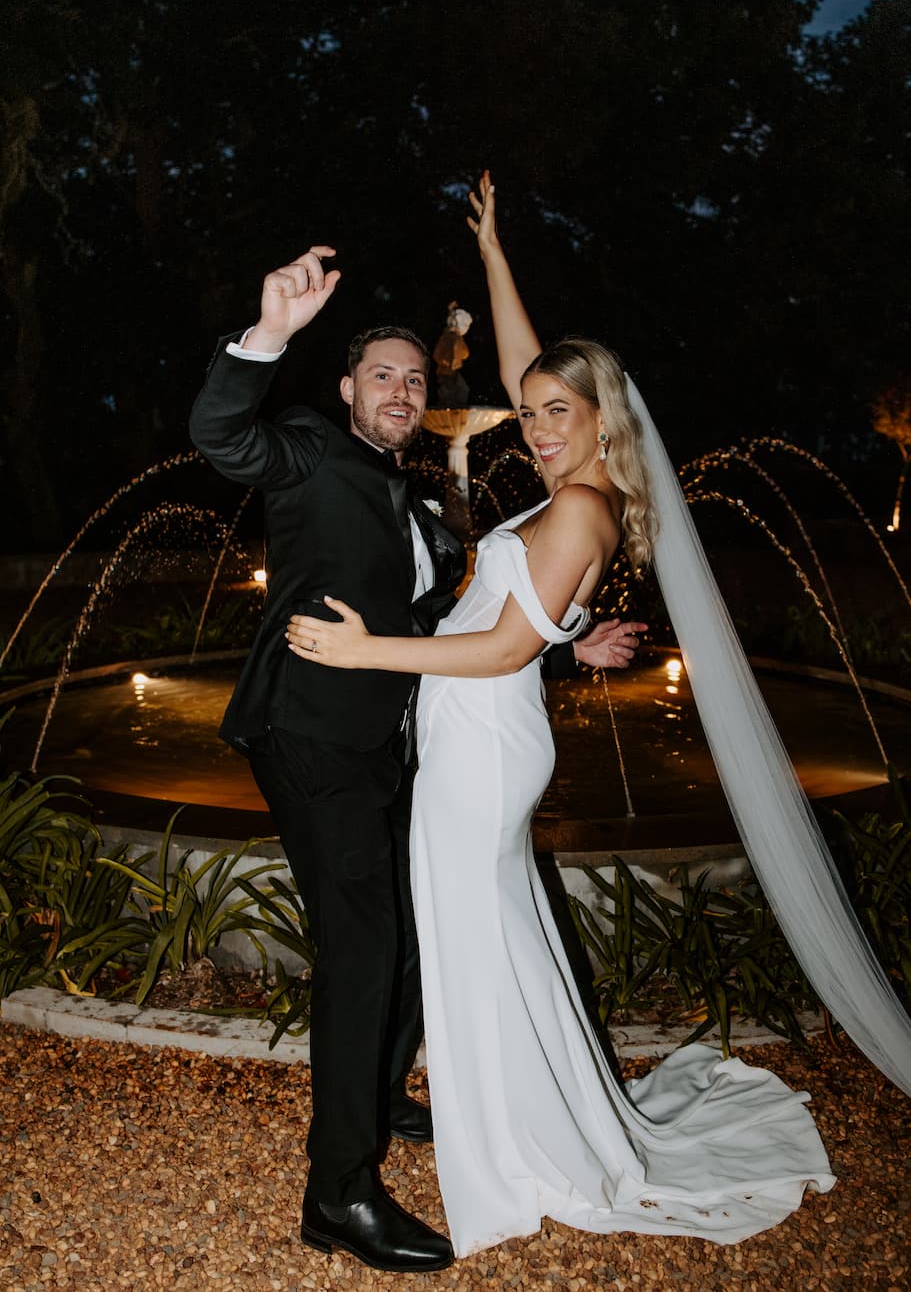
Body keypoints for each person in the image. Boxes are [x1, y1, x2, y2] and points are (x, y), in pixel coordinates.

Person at [285, 176, 851, 1256]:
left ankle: (511, 1140)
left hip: (482, 744)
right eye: (533, 410)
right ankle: (497, 1109)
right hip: (483, 732)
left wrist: (365, 648)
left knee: (470, 934)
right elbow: (518, 376)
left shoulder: (580, 502)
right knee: (485, 935)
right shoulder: (578, 484)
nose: (536, 425)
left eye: (558, 413)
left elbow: (498, 643)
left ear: (601, 422)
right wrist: (496, 252)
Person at [188, 245, 645, 1274]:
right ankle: (336, 1196)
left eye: (412, 377)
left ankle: (381, 1092)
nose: (401, 388)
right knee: (360, 950)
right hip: (308, 730)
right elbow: (221, 434)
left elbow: (472, 626)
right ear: (346, 390)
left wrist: (569, 649)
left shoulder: (425, 505)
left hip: (389, 745)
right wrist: (268, 335)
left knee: (399, 942)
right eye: (380, 375)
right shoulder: (307, 447)